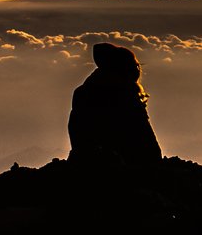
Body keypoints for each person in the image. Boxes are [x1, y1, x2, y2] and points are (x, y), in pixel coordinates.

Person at [67, 43, 161, 174]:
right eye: (134, 66)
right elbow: (148, 144)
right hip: (122, 170)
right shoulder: (127, 97)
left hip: (85, 166)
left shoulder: (83, 92)